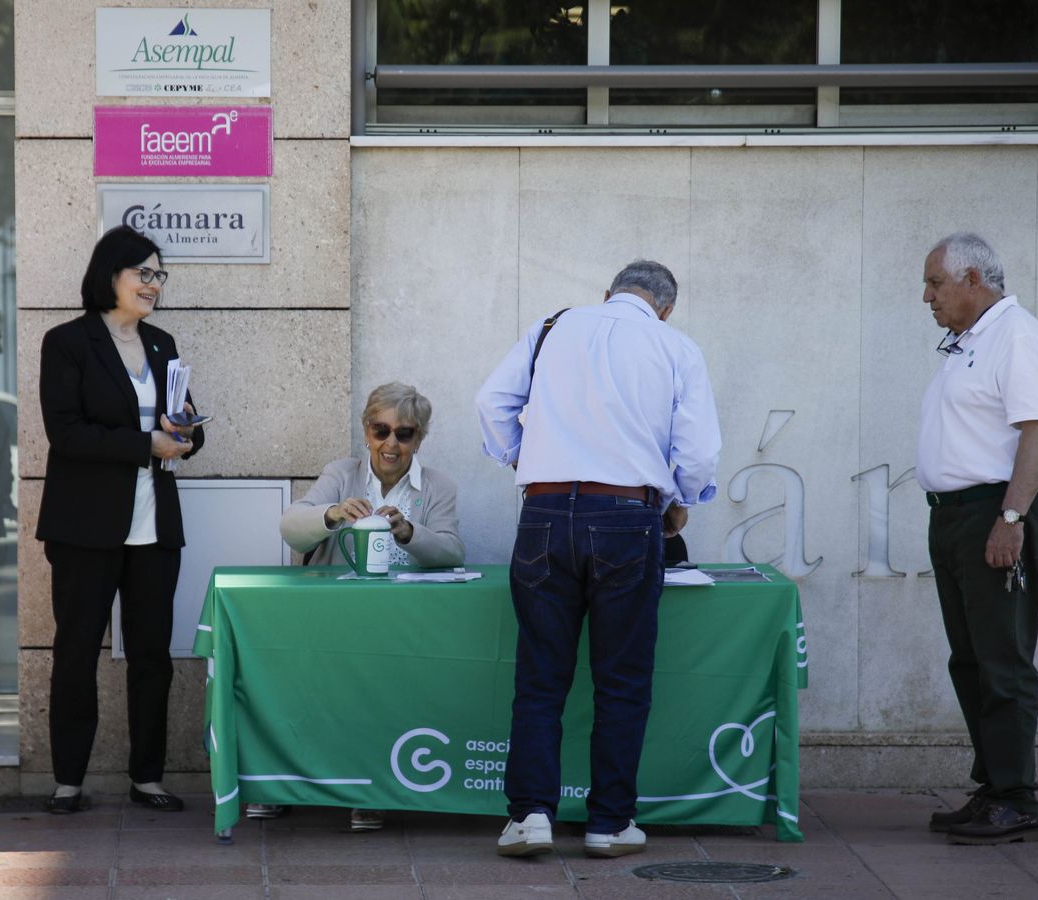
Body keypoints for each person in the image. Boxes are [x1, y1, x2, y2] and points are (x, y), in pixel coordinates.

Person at [475, 260, 721, 859]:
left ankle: (530, 816)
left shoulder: (553, 325)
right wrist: (679, 500)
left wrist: (526, 462)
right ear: (664, 307)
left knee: (540, 677)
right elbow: (699, 449)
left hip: (544, 513)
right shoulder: (674, 345)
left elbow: (491, 402)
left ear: (607, 294)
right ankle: (609, 823)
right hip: (626, 520)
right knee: (622, 680)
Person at [36, 225, 205, 814]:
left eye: (160, 275)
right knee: (76, 650)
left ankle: (148, 777)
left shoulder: (163, 343)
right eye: (145, 273)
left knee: (153, 655)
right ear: (112, 275)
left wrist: (186, 436)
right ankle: (68, 781)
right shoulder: (67, 342)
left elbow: (185, 424)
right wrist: (146, 445)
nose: (154, 285)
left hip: (154, 524)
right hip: (85, 524)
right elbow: (67, 432)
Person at [257, 381, 465, 830]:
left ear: (419, 439)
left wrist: (409, 532)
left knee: (387, 690)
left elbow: (453, 553)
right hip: (338, 615)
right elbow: (291, 526)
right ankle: (274, 782)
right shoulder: (342, 473)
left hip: (405, 620)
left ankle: (370, 790)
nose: (390, 443)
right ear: (366, 431)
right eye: (381, 430)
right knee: (294, 682)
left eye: (404, 434)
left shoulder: (437, 486)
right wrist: (332, 513)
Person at [916, 233, 1038, 845]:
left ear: (973, 279)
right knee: (970, 659)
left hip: (995, 514)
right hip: (955, 516)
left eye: (935, 284)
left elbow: (1037, 432)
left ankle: (1016, 798)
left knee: (1003, 660)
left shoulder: (1018, 336)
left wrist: (1011, 518)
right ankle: (993, 786)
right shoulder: (971, 342)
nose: (926, 297)